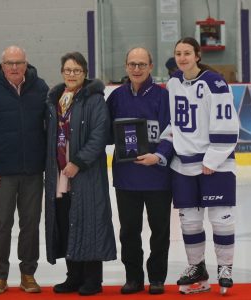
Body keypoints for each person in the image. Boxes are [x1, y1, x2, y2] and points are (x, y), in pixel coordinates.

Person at [153, 37, 239, 295]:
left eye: (187, 53)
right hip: (183, 164)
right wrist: (163, 149)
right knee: (189, 221)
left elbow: (227, 123)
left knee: (221, 219)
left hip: (216, 163)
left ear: (198, 55)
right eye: (178, 53)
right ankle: (197, 267)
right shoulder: (174, 82)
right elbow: (175, 124)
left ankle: (225, 267)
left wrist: (213, 158)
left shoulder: (215, 82)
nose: (182, 57)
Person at [0, 46, 48, 294]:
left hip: (33, 171)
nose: (14, 67)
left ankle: (28, 274)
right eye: (9, 63)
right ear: (2, 65)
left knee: (31, 223)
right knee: (2, 223)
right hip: (1, 173)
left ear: (26, 64)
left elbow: (52, 128)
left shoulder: (41, 89)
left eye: (19, 62)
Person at [45, 51, 116, 296]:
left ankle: (92, 280)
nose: (71, 74)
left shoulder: (94, 99)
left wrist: (78, 161)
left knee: (90, 223)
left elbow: (99, 135)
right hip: (60, 173)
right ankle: (73, 276)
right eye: (67, 70)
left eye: (76, 70)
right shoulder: (56, 99)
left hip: (85, 173)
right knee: (66, 222)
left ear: (85, 73)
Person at [106, 47, 172, 295]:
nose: (136, 69)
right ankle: (133, 277)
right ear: (125, 67)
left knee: (160, 232)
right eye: (132, 64)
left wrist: (159, 156)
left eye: (141, 64)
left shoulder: (162, 97)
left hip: (158, 178)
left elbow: (172, 131)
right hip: (126, 179)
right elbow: (103, 132)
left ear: (150, 67)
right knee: (129, 231)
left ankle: (156, 278)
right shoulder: (116, 97)